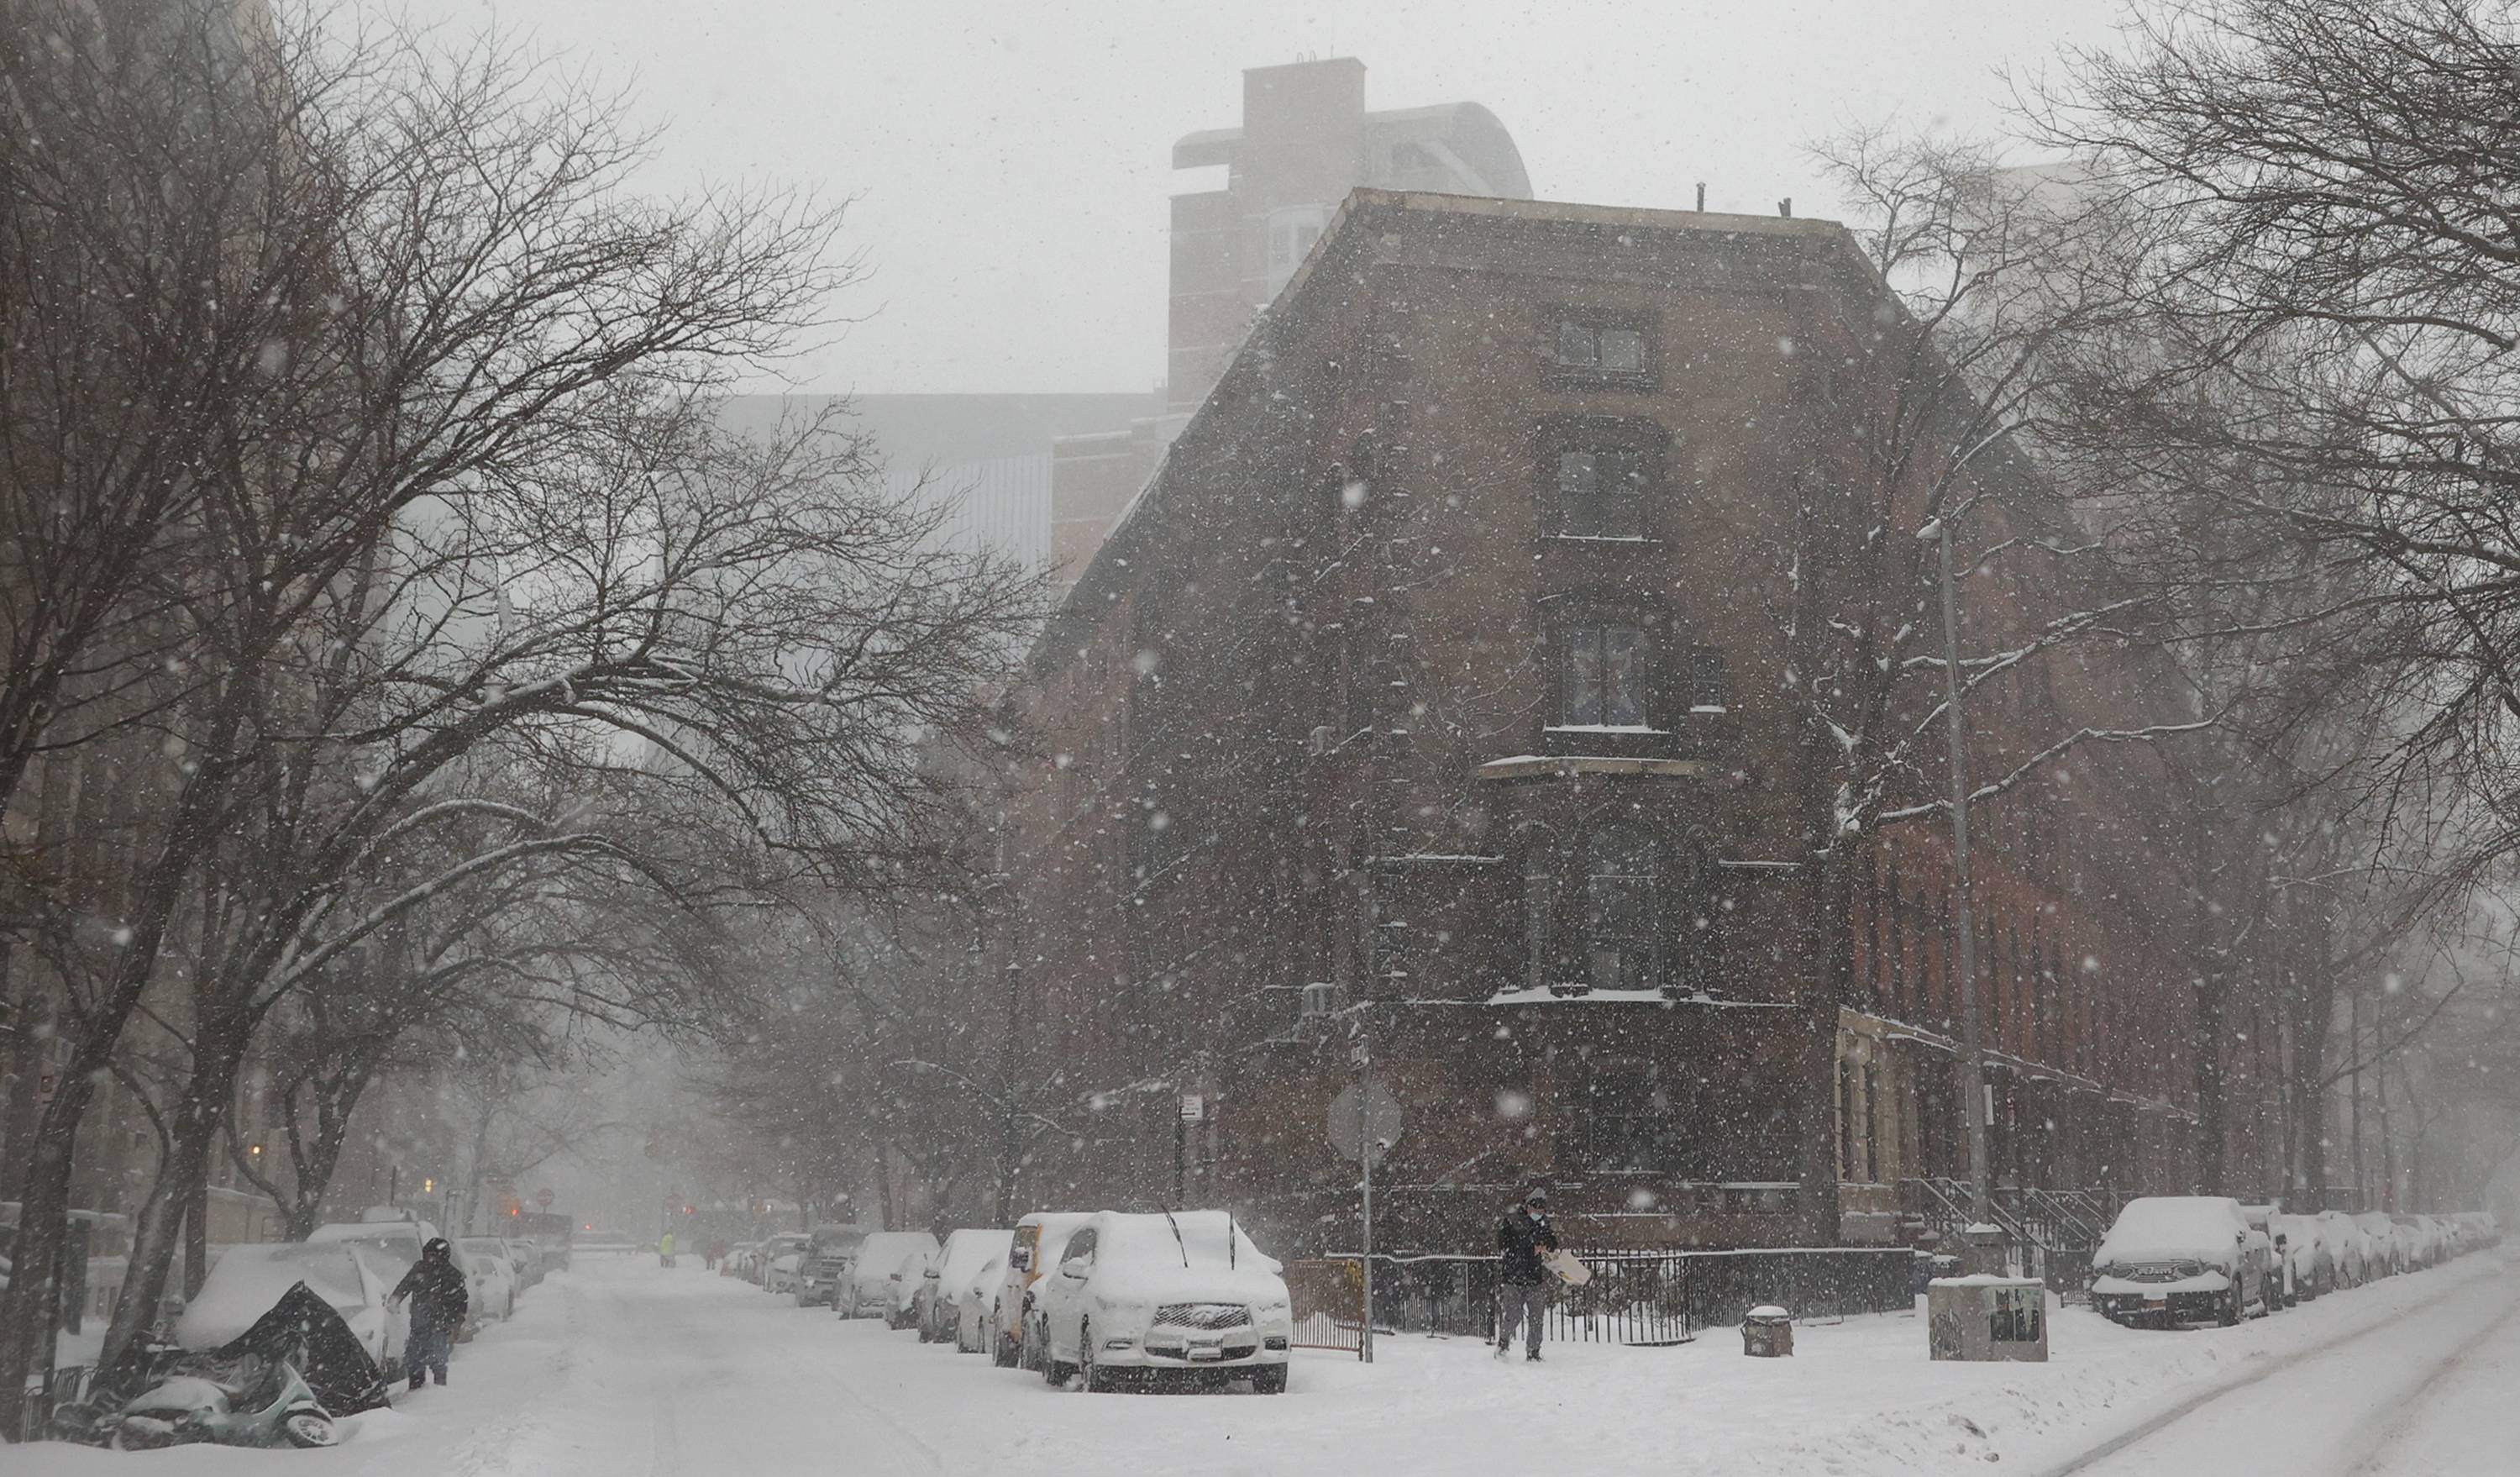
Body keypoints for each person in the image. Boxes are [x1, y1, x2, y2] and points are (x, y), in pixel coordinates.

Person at [388, 1238, 468, 1390]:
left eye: (432, 1255)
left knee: (438, 1360)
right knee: (414, 1360)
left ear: (442, 1256)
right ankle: (416, 1389)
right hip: (419, 1325)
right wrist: (395, 1299)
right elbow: (405, 1285)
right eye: (427, 1255)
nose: (429, 1259)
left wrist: (455, 1324)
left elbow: (461, 1303)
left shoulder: (452, 1275)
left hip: (440, 1326)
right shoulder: (420, 1269)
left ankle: (438, 1392)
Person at [1495, 1188, 1561, 1361]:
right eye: (1536, 1209)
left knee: (1537, 1318)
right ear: (1528, 1206)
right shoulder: (1511, 1222)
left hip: (1535, 1278)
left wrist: (1547, 1246)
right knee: (1513, 1315)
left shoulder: (1543, 1223)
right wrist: (1530, 1248)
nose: (1539, 1213)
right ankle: (1503, 1343)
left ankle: (1533, 1352)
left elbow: (1553, 1242)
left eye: (1542, 1210)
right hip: (1513, 1278)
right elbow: (1505, 1248)